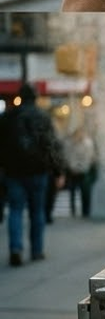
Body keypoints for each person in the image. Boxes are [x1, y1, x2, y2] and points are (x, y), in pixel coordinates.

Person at [0, 84, 64, 266]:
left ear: (20, 97)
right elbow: (52, 145)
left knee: (15, 210)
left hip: (13, 172)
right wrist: (58, 171)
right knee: (37, 211)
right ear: (36, 98)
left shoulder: (8, 117)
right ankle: (36, 250)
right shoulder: (43, 117)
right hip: (38, 171)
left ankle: (16, 248)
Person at [63, 125, 96, 219]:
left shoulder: (87, 144)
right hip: (72, 170)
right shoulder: (69, 143)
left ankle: (86, 211)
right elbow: (68, 156)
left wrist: (81, 168)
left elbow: (88, 158)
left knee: (85, 191)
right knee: (72, 191)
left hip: (83, 171)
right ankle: (72, 209)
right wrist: (72, 167)